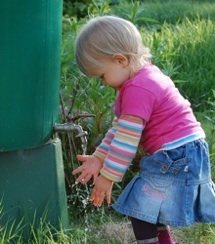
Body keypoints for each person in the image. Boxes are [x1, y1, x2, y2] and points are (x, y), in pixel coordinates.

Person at [72, 15, 215, 244]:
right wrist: (99, 158)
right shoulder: (143, 78)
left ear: (120, 60)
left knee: (141, 207)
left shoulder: (137, 88)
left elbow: (126, 142)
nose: (104, 83)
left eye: (102, 76)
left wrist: (107, 177)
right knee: (152, 208)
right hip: (184, 150)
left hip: (176, 153)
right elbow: (120, 130)